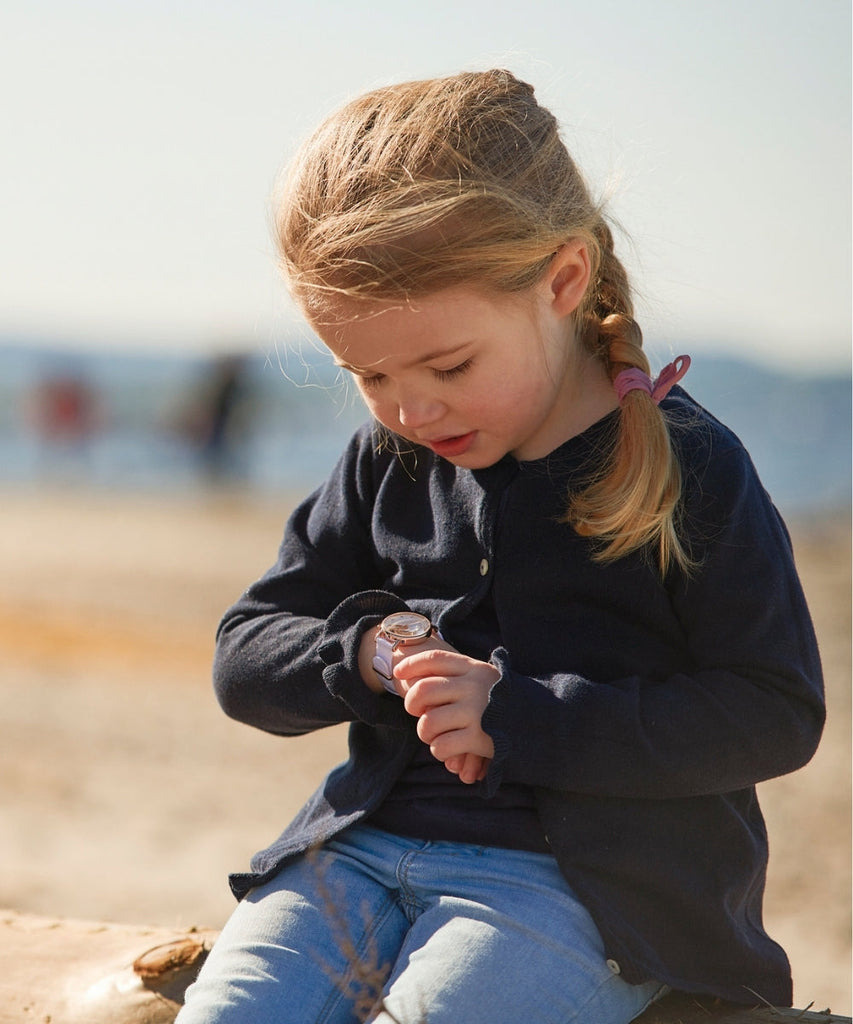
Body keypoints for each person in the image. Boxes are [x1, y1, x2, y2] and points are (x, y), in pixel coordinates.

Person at [176, 69, 824, 1024]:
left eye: (449, 366)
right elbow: (245, 656)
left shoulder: (688, 465)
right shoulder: (390, 458)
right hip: (352, 855)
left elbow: (773, 712)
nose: (409, 410)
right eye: (368, 376)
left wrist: (517, 716)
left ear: (562, 281)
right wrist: (363, 652)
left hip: (587, 895)